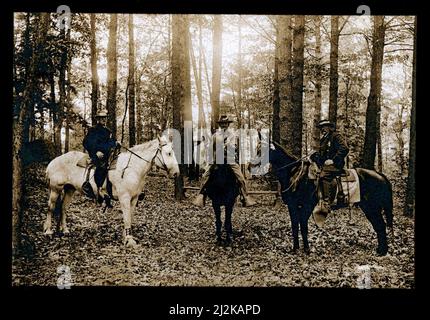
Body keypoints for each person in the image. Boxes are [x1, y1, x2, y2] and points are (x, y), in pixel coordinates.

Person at [192, 115, 257, 207]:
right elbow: (211, 149)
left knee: (241, 178)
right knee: (205, 176)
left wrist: (228, 147)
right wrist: (211, 160)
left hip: (230, 160)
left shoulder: (233, 135)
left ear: (228, 124)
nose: (224, 125)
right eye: (222, 124)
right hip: (217, 160)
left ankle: (245, 197)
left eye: (225, 123)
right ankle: (201, 196)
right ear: (220, 125)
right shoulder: (215, 136)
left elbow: (235, 148)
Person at [82, 109, 120, 207]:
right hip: (97, 155)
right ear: (98, 119)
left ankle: (110, 193)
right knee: (101, 168)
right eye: (101, 118)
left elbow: (111, 142)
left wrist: (116, 143)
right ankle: (96, 192)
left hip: (108, 155)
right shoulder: (93, 130)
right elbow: (86, 143)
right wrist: (96, 152)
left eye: (105, 118)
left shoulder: (108, 131)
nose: (103, 120)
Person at [310, 119, 349, 212]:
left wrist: (333, 160)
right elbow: (323, 156)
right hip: (327, 165)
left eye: (325, 127)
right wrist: (314, 156)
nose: (322, 129)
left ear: (330, 127)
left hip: (336, 165)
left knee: (324, 175)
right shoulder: (323, 139)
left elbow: (344, 148)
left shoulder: (336, 136)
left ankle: (327, 202)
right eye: (321, 128)